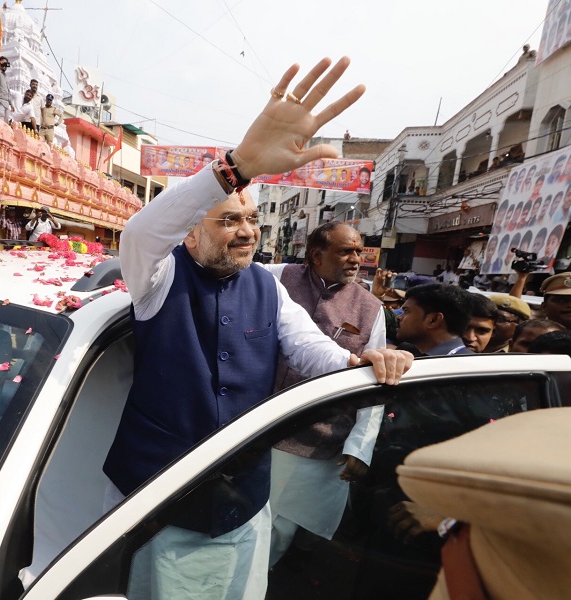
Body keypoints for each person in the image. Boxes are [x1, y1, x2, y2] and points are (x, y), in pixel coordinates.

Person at [100, 58, 413, 599]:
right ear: (191, 233)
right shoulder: (159, 275)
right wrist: (238, 164)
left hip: (246, 498)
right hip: (163, 503)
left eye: (251, 219)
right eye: (229, 220)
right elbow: (143, 230)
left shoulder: (268, 288)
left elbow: (309, 346)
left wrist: (356, 364)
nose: (246, 232)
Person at [263, 222, 386, 565]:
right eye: (346, 251)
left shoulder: (371, 308)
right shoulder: (275, 277)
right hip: (254, 424)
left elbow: (373, 382)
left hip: (316, 438)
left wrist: (360, 447)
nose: (356, 259)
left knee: (282, 528)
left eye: (359, 251)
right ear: (316, 256)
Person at [395, 283, 473, 356]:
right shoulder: (412, 354)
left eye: (406, 311)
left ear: (433, 320)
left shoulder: (462, 366)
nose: (399, 317)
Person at [0, 56, 15, 122]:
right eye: (3, 63)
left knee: (6, 122)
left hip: (6, 102)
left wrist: (11, 104)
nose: (4, 65)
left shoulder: (5, 76)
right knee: (0, 119)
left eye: (6, 64)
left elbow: (7, 90)